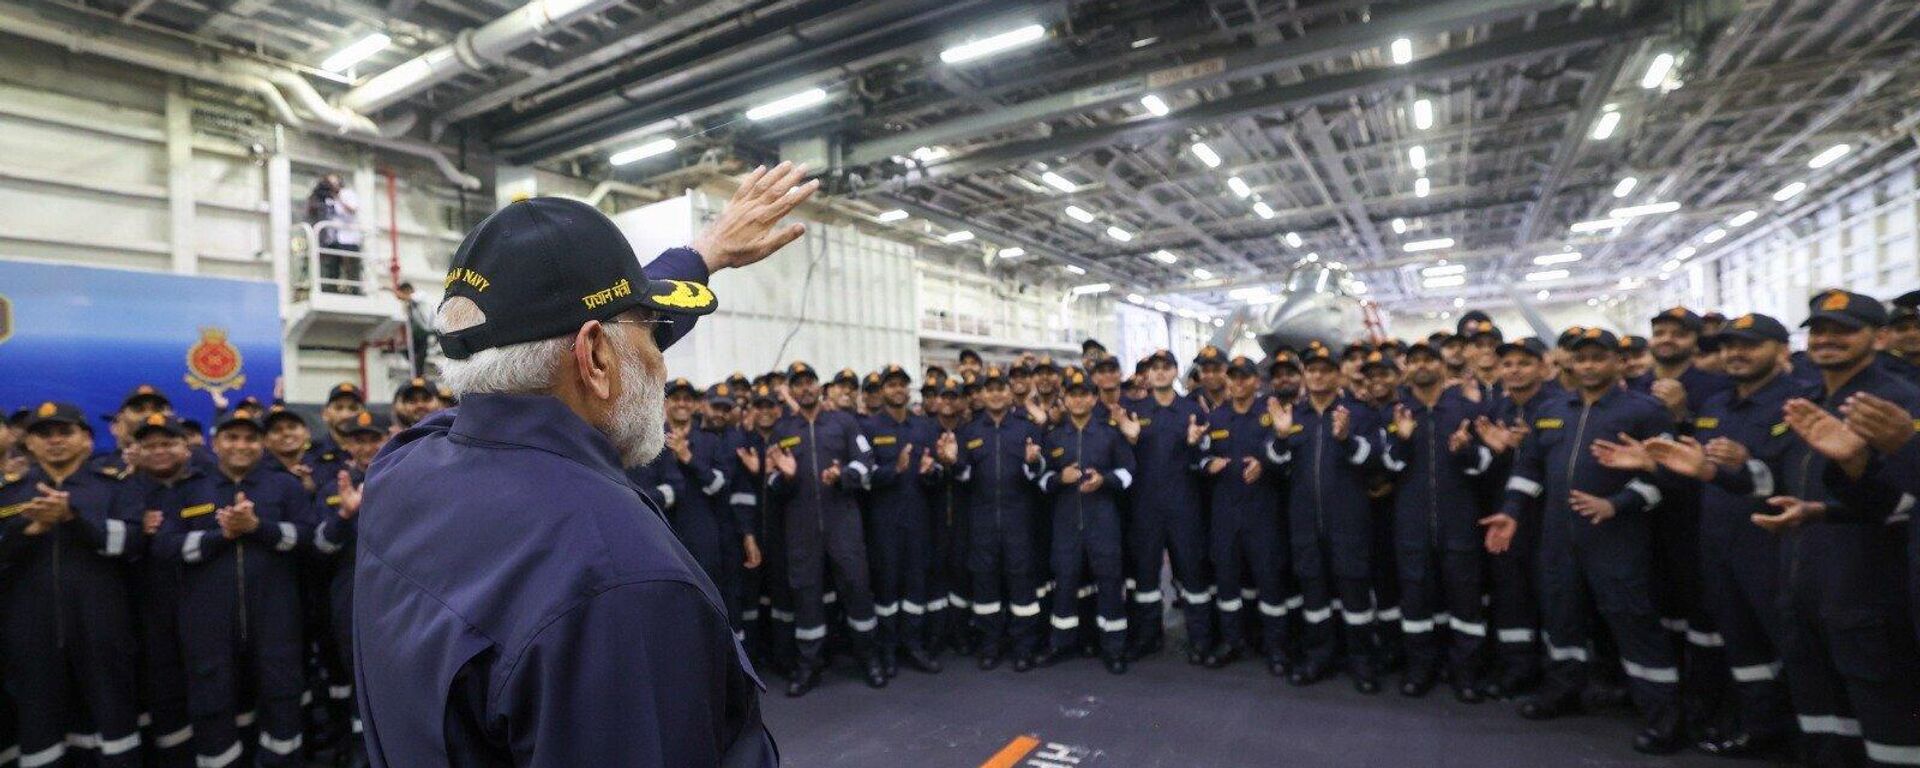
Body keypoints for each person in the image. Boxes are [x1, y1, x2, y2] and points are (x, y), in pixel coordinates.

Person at [355, 162, 816, 767]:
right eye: (652, 333)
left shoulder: (404, 469)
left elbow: (551, 350)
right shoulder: (621, 578)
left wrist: (703, 254)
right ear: (595, 356)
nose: (662, 361)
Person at [1730, 290, 1920, 767]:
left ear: (1878, 337)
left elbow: (1903, 504)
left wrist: (1857, 466)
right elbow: (1778, 477)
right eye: (1820, 330)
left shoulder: (1896, 403)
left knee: (1885, 714)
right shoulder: (1808, 401)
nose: (1828, 340)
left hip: (1869, 584)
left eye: (1844, 330)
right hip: (1805, 578)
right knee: (1819, 708)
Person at [1481, 328, 1682, 754]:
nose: (1588, 365)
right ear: (1569, 363)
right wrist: (1512, 512)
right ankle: (1563, 692)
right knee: (1561, 618)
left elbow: (1666, 478)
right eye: (1581, 358)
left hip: (1617, 538)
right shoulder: (1553, 410)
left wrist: (1618, 504)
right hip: (1558, 538)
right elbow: (1530, 469)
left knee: (1634, 623)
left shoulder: (1646, 412)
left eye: (1598, 357)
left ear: (1616, 361)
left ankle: (1662, 716)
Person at [153, 413, 309, 768]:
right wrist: (219, 536)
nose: (241, 445)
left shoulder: (285, 486)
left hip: (276, 622)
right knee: (212, 705)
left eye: (250, 438)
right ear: (214, 442)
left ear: (262, 444)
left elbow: (308, 538)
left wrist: (258, 527)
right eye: (232, 437)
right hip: (207, 626)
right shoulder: (188, 487)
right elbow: (164, 547)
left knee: (282, 699)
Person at [0, 402, 145, 768]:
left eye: (65, 432)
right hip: (30, 630)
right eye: (43, 434)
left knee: (112, 716)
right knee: (38, 720)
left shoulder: (114, 489)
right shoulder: (9, 495)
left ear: (86, 440)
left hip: (103, 626)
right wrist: (27, 531)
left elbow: (132, 543)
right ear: (28, 443)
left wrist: (72, 519)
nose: (55, 441)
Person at [1380, 342, 1492, 702]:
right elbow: (1389, 469)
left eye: (1429, 359)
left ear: (1443, 366)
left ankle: (1467, 674)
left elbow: (1483, 467)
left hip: (1459, 521)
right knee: (1415, 601)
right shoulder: (1396, 412)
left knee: (1465, 603)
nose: (1422, 366)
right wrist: (1402, 440)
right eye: (1415, 361)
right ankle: (1420, 669)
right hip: (1411, 524)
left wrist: (1466, 451)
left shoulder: (1465, 410)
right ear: (1406, 370)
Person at [765, 361, 885, 695]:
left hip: (843, 524)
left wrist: (843, 475)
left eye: (810, 381)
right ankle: (808, 667)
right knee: (806, 596)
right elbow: (771, 482)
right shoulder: (782, 430)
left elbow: (867, 463)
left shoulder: (844, 423)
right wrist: (785, 477)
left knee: (857, 589)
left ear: (819, 386)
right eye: (797, 383)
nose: (805, 388)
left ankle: (869, 659)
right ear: (791, 390)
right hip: (801, 530)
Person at [1276, 343, 1385, 692]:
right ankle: (1318, 657)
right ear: (1305, 376)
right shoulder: (1293, 416)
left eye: (1325, 369)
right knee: (1314, 594)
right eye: (1312, 370)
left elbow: (1377, 458)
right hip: (1305, 522)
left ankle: (1362, 663)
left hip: (1349, 521)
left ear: (1337, 375)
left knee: (1354, 593)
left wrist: (1346, 438)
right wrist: (1279, 437)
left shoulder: (1360, 413)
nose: (1318, 375)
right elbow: (1275, 461)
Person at [936, 365, 1048, 672]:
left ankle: (1022, 647)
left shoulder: (1027, 429)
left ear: (1010, 392)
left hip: (1019, 521)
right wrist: (952, 463)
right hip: (982, 523)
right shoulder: (969, 432)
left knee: (1022, 586)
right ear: (982, 395)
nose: (996, 393)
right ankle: (990, 646)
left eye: (1001, 388)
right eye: (990, 389)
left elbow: (1039, 475)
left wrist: (1033, 461)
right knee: (985, 587)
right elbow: (965, 475)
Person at [1113, 349, 1212, 664]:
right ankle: (1148, 637)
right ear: (1147, 374)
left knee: (1192, 575)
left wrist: (1197, 443)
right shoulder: (1134, 410)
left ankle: (1200, 639)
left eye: (1165, 367)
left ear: (1174, 371)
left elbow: (1203, 461)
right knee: (1145, 578)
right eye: (1153, 368)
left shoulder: (1190, 411)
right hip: (1146, 508)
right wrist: (1128, 438)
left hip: (1184, 506)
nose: (1159, 373)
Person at [1034, 367, 1135, 674]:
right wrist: (1059, 478)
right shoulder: (1053, 438)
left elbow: (1129, 473)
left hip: (1103, 523)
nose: (1077, 400)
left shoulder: (1110, 434)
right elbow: (1040, 480)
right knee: (1064, 584)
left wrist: (1104, 480)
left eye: (1083, 394)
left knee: (1109, 585)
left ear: (1093, 399)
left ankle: (1113, 648)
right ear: (1064, 399)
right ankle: (1061, 643)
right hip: (1065, 525)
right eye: (1072, 395)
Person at [1196, 356, 1290, 674]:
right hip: (1225, 513)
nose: (1238, 383)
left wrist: (1264, 461)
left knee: (1269, 582)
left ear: (1256, 381)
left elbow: (1287, 456)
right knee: (1227, 582)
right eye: (1233, 377)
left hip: (1262, 512)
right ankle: (1232, 641)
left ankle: (1276, 646)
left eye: (1244, 377)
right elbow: (1202, 456)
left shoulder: (1270, 413)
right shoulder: (1217, 416)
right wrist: (1207, 462)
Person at [309, 411, 386, 768]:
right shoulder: (332, 487)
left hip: (392, 599)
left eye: (373, 438)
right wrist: (343, 516)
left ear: (385, 439)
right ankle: (352, 749)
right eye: (359, 440)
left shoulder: (402, 478)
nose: (366, 446)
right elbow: (320, 548)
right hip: (347, 598)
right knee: (348, 677)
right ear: (348, 445)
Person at [861, 364, 944, 676]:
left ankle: (914, 645)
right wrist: (892, 470)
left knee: (915, 587)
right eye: (891, 384)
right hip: (883, 525)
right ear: (882, 391)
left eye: (901, 384)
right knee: (886, 590)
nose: (897, 389)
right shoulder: (868, 427)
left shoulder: (924, 427)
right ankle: (888, 650)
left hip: (918, 521)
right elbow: (864, 478)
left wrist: (930, 472)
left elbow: (936, 473)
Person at [307, 173, 363, 294]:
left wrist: (338, 197)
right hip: (332, 238)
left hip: (348, 237)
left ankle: (355, 290)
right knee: (332, 267)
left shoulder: (347, 193)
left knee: (350, 268)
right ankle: (331, 289)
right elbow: (315, 211)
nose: (331, 185)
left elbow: (352, 209)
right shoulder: (326, 197)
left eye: (333, 182)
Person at [394, 282, 433, 375]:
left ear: (407, 290)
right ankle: (417, 371)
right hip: (418, 332)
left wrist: (391, 290)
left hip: (426, 330)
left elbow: (407, 297)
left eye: (404, 293)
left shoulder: (420, 295)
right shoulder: (410, 304)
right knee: (408, 352)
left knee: (420, 355)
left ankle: (419, 374)